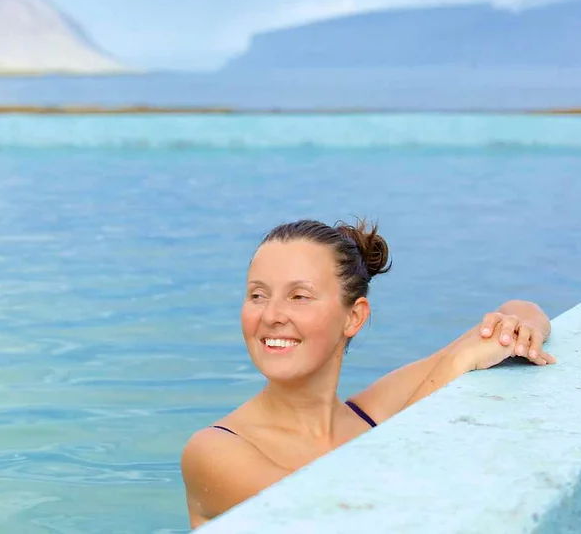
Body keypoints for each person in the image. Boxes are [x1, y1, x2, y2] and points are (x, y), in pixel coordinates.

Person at [180, 218, 555, 529]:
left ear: (354, 317)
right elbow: (345, 516)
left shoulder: (371, 413)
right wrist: (456, 366)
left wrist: (515, 328)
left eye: (299, 296)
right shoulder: (214, 451)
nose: (271, 315)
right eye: (258, 295)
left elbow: (520, 308)